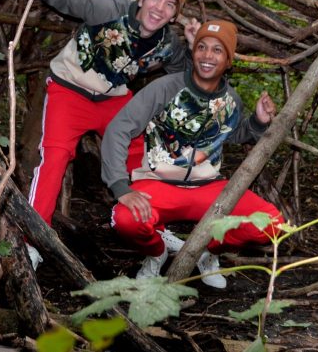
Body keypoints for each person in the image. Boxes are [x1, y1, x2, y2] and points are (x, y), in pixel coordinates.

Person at [1, 0, 200, 269]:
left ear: (174, 16)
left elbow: (182, 78)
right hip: (69, 90)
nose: (159, 7)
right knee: (56, 157)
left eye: (170, 5)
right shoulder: (109, 10)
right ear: (142, 0)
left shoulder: (168, 42)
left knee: (142, 154)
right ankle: (33, 239)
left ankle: (155, 224)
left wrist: (192, 48)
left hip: (112, 100)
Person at [100, 19, 284, 288]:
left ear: (228, 61)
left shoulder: (230, 99)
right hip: (158, 183)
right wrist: (120, 186)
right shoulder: (165, 88)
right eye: (202, 47)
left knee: (272, 224)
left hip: (208, 187)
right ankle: (156, 254)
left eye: (217, 50)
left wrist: (257, 122)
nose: (208, 56)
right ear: (194, 51)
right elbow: (119, 129)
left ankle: (207, 252)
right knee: (125, 219)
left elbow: (232, 134)